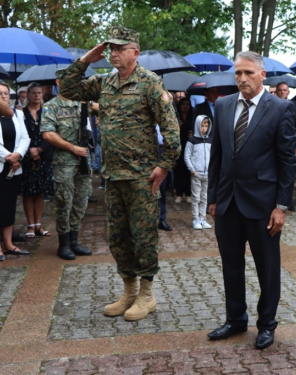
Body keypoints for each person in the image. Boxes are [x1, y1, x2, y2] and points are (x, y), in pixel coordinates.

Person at [59, 26, 181, 321]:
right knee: (118, 238)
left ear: (134, 52)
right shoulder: (104, 83)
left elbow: (171, 131)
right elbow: (66, 88)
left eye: (119, 48)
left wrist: (164, 167)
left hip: (142, 177)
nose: (113, 53)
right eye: (110, 48)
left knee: (143, 237)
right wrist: (87, 58)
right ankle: (128, 290)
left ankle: (147, 295)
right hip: (113, 176)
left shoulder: (151, 83)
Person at [207, 51, 296, 350]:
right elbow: (216, 157)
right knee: (231, 265)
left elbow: (287, 162)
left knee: (267, 268)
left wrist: (281, 207)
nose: (242, 78)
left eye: (247, 73)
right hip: (228, 202)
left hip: (263, 205)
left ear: (262, 74)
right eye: (237, 73)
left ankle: (266, 324)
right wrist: (212, 199)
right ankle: (235, 320)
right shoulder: (222, 105)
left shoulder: (281, 108)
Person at [41, 69, 93, 260]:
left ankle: (74, 242)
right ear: (58, 82)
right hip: (64, 162)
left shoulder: (82, 104)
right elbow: (48, 134)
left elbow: (104, 109)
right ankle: (63, 245)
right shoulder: (51, 107)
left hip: (84, 161)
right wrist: (72, 148)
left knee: (81, 202)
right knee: (65, 202)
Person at [19, 82, 54, 238]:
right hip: (26, 157)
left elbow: (53, 133)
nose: (36, 95)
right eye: (33, 93)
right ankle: (30, 226)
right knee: (28, 192)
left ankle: (39, 225)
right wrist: (29, 152)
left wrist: (40, 149)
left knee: (40, 192)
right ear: (28, 94)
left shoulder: (47, 112)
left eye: (39, 92)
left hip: (43, 156)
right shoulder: (21, 113)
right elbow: (19, 135)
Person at [0, 81, 30, 259]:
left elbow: (25, 138)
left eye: (6, 93)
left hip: (14, 167)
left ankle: (9, 244)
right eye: (0, 93)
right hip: (3, 163)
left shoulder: (17, 113)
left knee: (10, 205)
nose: (4, 96)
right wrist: (8, 157)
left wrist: (18, 155)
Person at [275, 81, 296, 212]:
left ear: (288, 92)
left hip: (291, 144)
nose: (282, 92)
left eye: (284, 90)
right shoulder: (272, 105)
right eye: (280, 90)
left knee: (289, 174)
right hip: (276, 145)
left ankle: (288, 201)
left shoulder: (295, 105)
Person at [184, 115, 212, 229]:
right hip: (197, 173)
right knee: (196, 197)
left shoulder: (211, 140)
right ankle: (195, 219)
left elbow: (213, 156)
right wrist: (193, 170)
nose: (204, 128)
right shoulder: (192, 141)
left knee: (204, 197)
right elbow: (187, 157)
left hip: (207, 174)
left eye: (206, 126)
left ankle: (203, 218)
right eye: (202, 125)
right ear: (197, 125)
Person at [174, 97, 193, 203]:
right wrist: (178, 127)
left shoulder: (192, 118)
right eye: (183, 104)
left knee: (188, 170)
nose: (185, 106)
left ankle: (188, 193)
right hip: (179, 146)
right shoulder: (176, 117)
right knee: (179, 170)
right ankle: (179, 194)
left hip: (189, 146)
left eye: (187, 104)